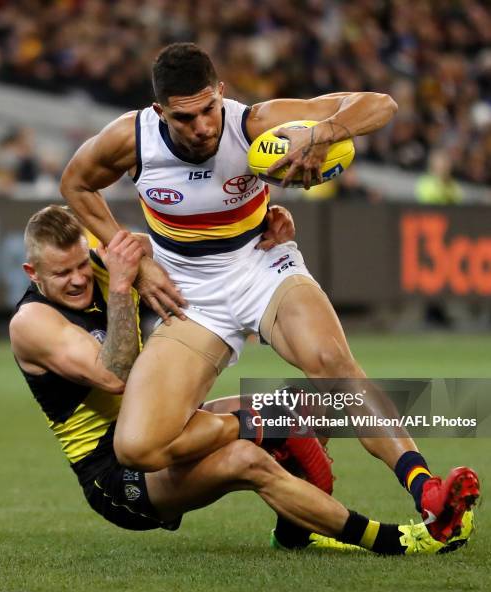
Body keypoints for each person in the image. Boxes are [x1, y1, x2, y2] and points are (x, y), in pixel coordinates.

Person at [60, 43, 479, 544]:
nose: (201, 127)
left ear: (221, 93)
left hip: (263, 265)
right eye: (183, 117)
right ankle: (275, 421)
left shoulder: (253, 123)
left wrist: (324, 133)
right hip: (189, 295)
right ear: (159, 112)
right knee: (137, 447)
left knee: (331, 362)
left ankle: (426, 489)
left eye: (208, 110)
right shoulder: (133, 138)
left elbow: (380, 104)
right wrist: (140, 263)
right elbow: (75, 184)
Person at [9, 205, 472, 555]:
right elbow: (114, 376)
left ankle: (296, 531)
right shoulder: (32, 323)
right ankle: (397, 541)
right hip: (115, 474)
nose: (76, 279)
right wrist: (118, 288)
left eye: (79, 264)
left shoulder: (98, 264)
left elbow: (206, 275)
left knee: (308, 402)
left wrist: (260, 238)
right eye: (62, 273)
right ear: (33, 273)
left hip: (166, 425)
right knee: (246, 460)